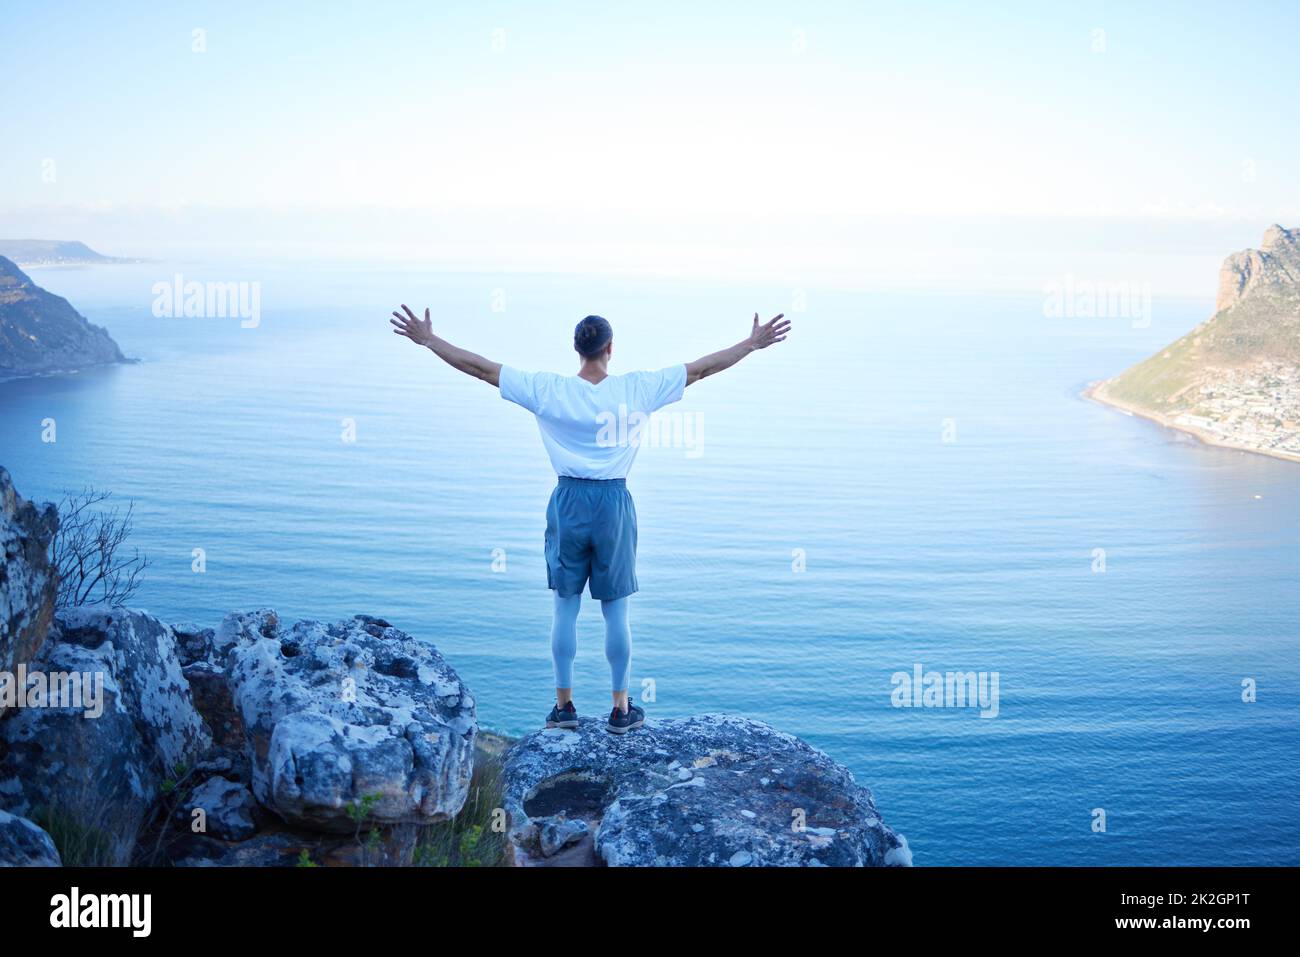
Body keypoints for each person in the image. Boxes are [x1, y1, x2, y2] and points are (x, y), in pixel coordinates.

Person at [389, 305, 791, 732]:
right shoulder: (639, 389)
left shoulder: (548, 390)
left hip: (568, 501)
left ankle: (564, 708)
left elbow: (482, 370)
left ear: (576, 349)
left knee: (565, 606)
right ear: (610, 349)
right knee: (616, 610)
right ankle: (620, 709)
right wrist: (751, 344)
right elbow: (702, 370)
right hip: (614, 502)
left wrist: (429, 340)